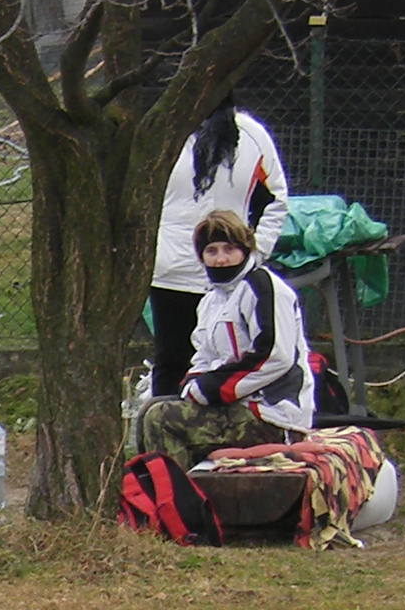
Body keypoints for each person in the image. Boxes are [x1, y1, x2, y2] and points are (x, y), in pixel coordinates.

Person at [133, 210, 314, 466]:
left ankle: (177, 499)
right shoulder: (211, 300)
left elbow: (275, 356)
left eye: (229, 249)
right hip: (235, 407)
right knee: (150, 410)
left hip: (272, 414)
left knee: (161, 419)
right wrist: (192, 386)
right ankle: (165, 491)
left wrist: (212, 389)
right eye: (212, 251)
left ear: (245, 249)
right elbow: (204, 357)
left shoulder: (264, 287)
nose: (221, 259)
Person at [147, 102, 291, 400]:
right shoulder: (160, 132)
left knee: (231, 358)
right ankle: (163, 436)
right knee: (172, 361)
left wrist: (255, 253)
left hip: (233, 277)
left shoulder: (251, 135)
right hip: (172, 274)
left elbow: (275, 199)